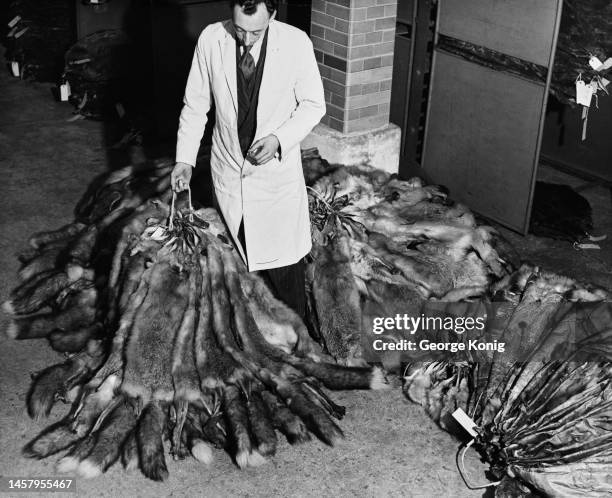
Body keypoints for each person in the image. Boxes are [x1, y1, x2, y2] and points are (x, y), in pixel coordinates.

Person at [170, 0, 326, 319]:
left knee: (284, 273)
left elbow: (313, 105)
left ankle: (301, 337)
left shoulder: (296, 43)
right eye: (239, 29)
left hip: (275, 182)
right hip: (228, 172)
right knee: (240, 270)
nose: (245, 39)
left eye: (255, 32)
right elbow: (196, 105)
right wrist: (185, 159)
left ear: (273, 15)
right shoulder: (211, 39)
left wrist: (278, 139)